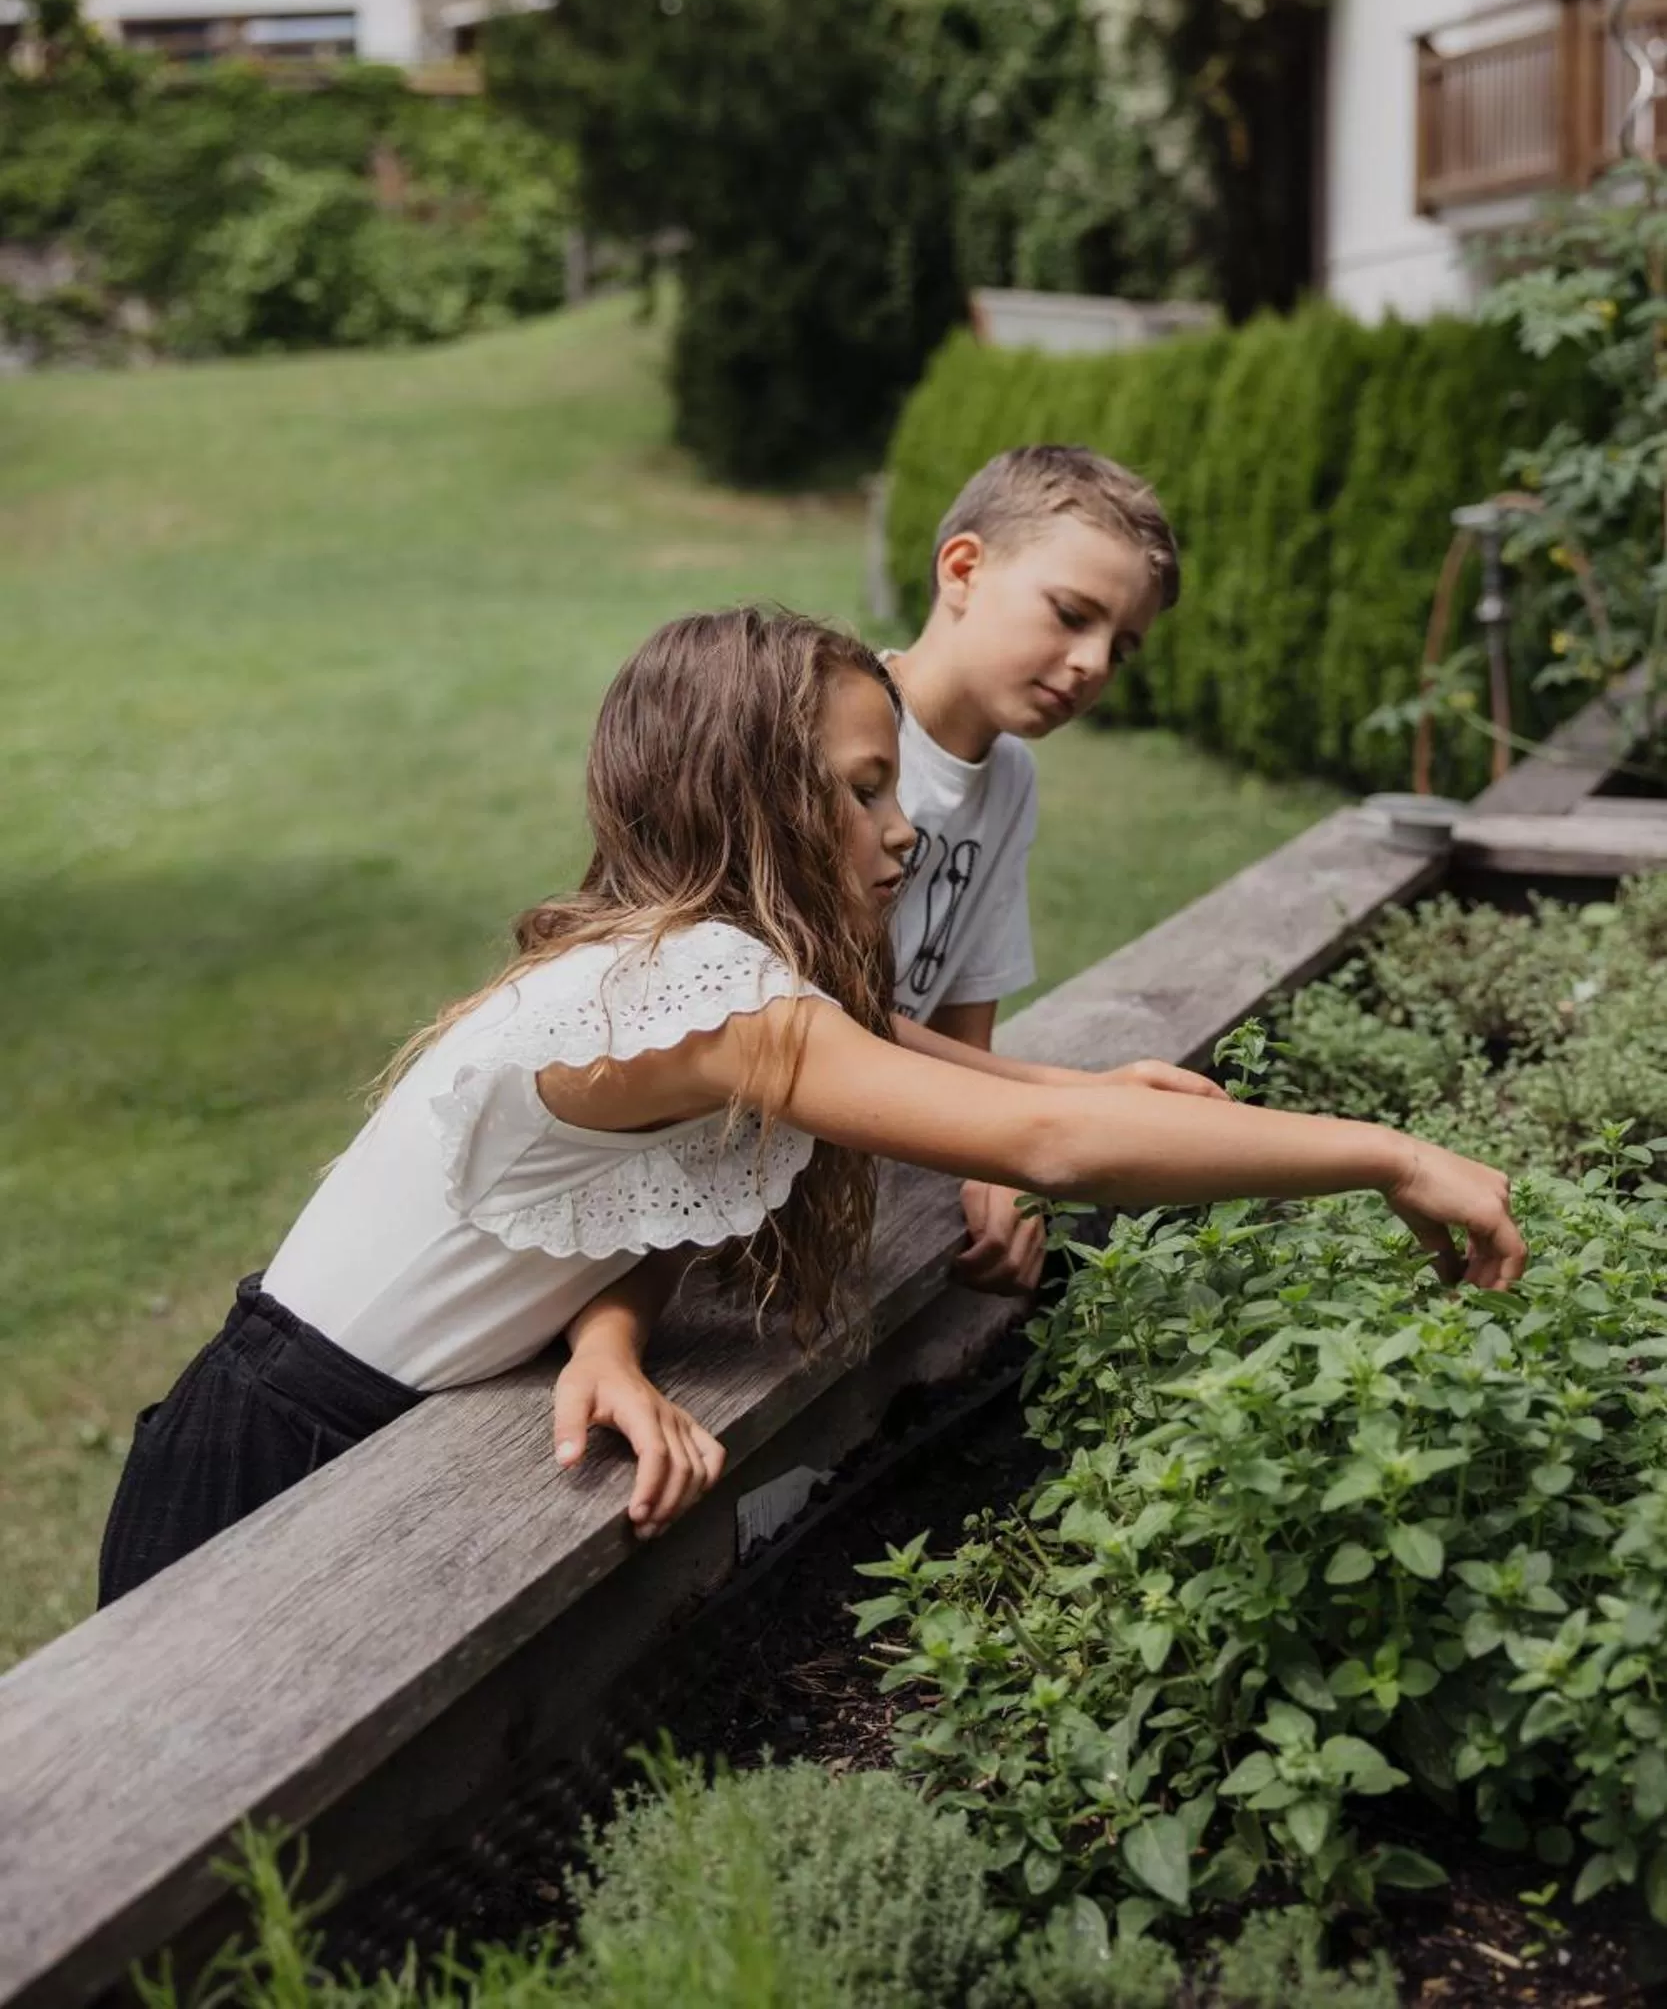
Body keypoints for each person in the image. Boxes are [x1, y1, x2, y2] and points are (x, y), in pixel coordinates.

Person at [99, 610, 1524, 1606]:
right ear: (748, 808)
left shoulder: (688, 971)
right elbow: (1045, 1153)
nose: (901, 830)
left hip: (331, 1422)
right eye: (857, 794)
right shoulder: (704, 992)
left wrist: (602, 1324)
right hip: (277, 1453)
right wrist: (1384, 1154)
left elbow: (852, 1077)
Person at [888, 443, 1182, 1296]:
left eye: (1120, 649)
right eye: (1069, 613)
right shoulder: (842, 742)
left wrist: (993, 1157)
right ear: (963, 569)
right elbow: (821, 1025)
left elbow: (959, 1007)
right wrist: (1054, 1109)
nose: (1093, 664)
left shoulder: (1009, 777)